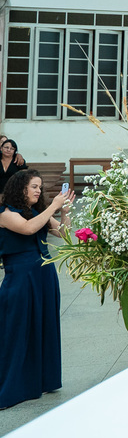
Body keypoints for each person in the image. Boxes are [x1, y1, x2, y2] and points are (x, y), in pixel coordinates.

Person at [0, 170, 73, 409]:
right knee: (17, 329)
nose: (38, 191)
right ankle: (13, 387)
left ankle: (42, 380)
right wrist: (53, 207)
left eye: (40, 187)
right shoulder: (5, 214)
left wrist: (64, 212)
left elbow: (63, 234)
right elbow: (28, 229)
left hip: (44, 274)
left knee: (45, 324)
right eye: (34, 186)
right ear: (20, 188)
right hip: (21, 277)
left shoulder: (37, 213)